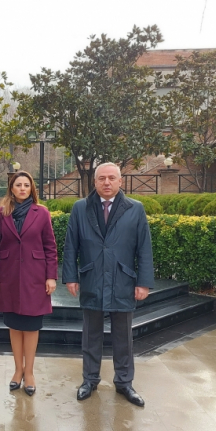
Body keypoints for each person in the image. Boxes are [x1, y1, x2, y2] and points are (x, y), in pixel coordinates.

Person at [62, 162, 154, 407]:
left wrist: (143, 282)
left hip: (122, 279)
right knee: (91, 334)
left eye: (112, 178)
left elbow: (144, 248)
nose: (106, 182)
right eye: (102, 178)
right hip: (92, 277)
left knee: (123, 336)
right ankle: (89, 380)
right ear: (94, 181)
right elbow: (71, 245)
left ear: (120, 181)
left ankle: (124, 382)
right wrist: (70, 277)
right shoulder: (80, 208)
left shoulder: (135, 209)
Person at [0, 171, 58, 396]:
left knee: (31, 326)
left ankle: (30, 372)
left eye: (26, 185)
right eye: (18, 185)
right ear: (11, 188)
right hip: (9, 276)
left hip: (35, 277)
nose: (22, 188)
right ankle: (17, 370)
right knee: (15, 325)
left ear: (31, 189)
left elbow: (50, 246)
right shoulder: (1, 214)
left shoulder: (42, 213)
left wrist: (51, 276)